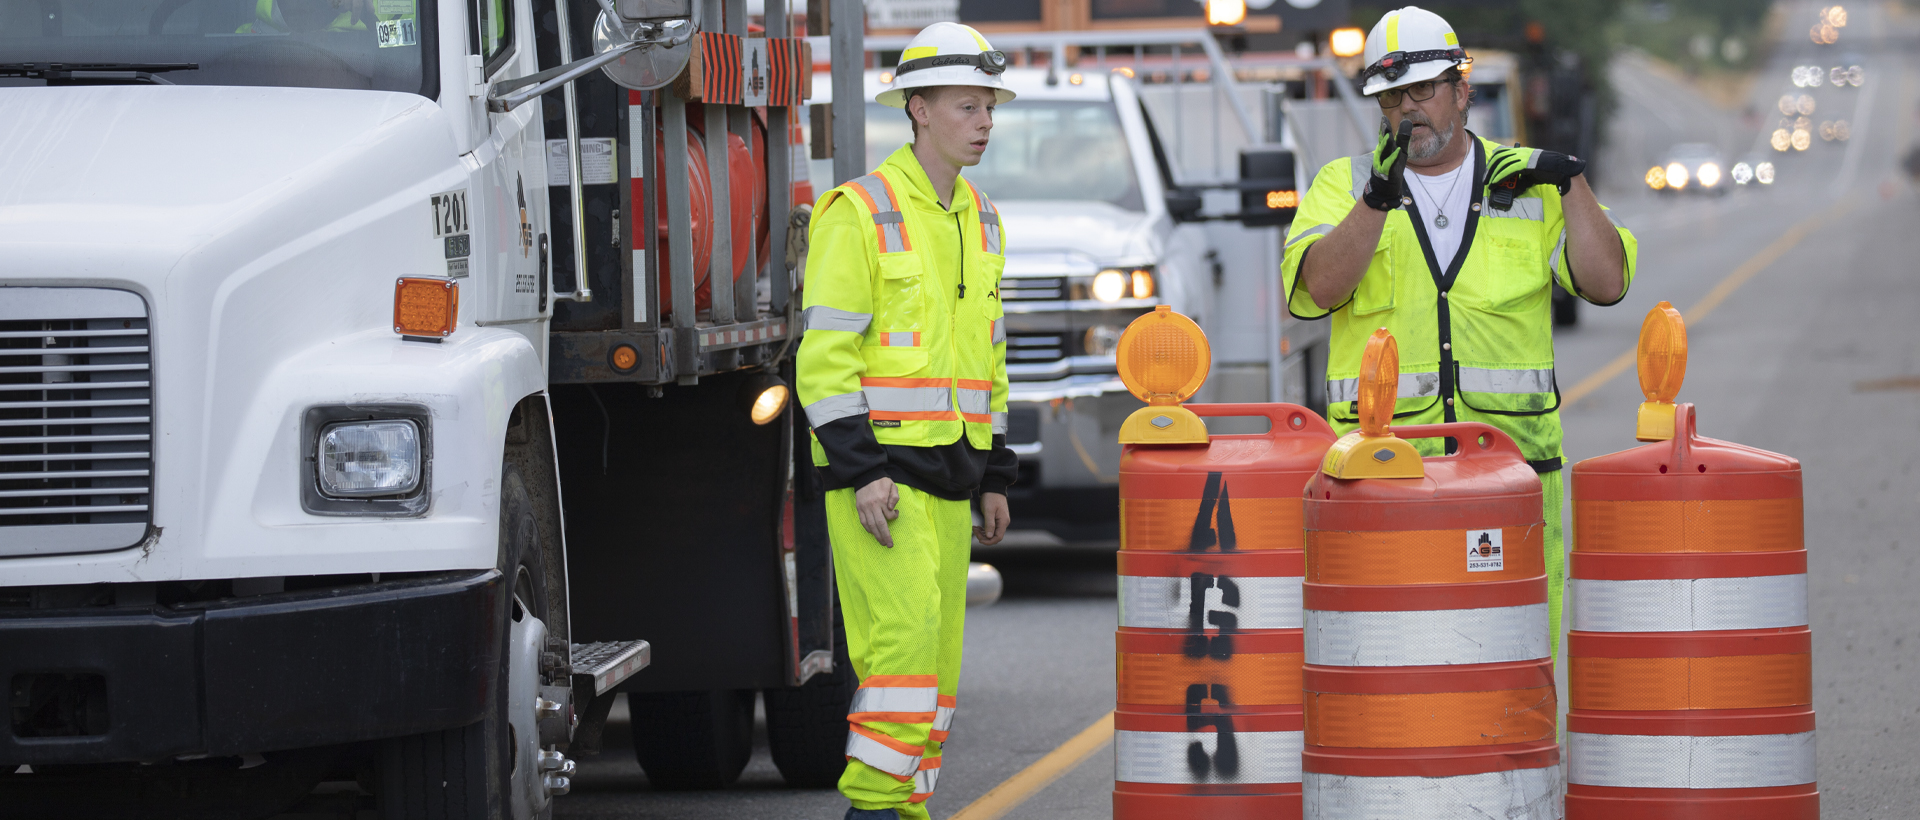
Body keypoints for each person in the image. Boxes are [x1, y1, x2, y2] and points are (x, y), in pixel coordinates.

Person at [1281, 6, 1637, 667]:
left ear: (1462, 90)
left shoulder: (1529, 182)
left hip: (1512, 476)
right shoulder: (1342, 185)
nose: (1408, 109)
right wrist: (1374, 201)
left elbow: (1607, 280)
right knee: (1387, 660)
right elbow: (1315, 290)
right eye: (1392, 96)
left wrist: (1573, 183)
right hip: (1384, 476)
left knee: (1514, 662)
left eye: (1422, 90)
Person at [794, 21, 1018, 820]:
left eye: (989, 105)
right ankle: (874, 812)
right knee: (900, 664)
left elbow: (988, 359)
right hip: (881, 483)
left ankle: (904, 812)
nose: (985, 121)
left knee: (938, 674)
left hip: (952, 484)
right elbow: (823, 361)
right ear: (918, 109)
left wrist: (994, 473)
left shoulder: (982, 220)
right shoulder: (858, 212)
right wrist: (860, 471)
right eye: (968, 106)